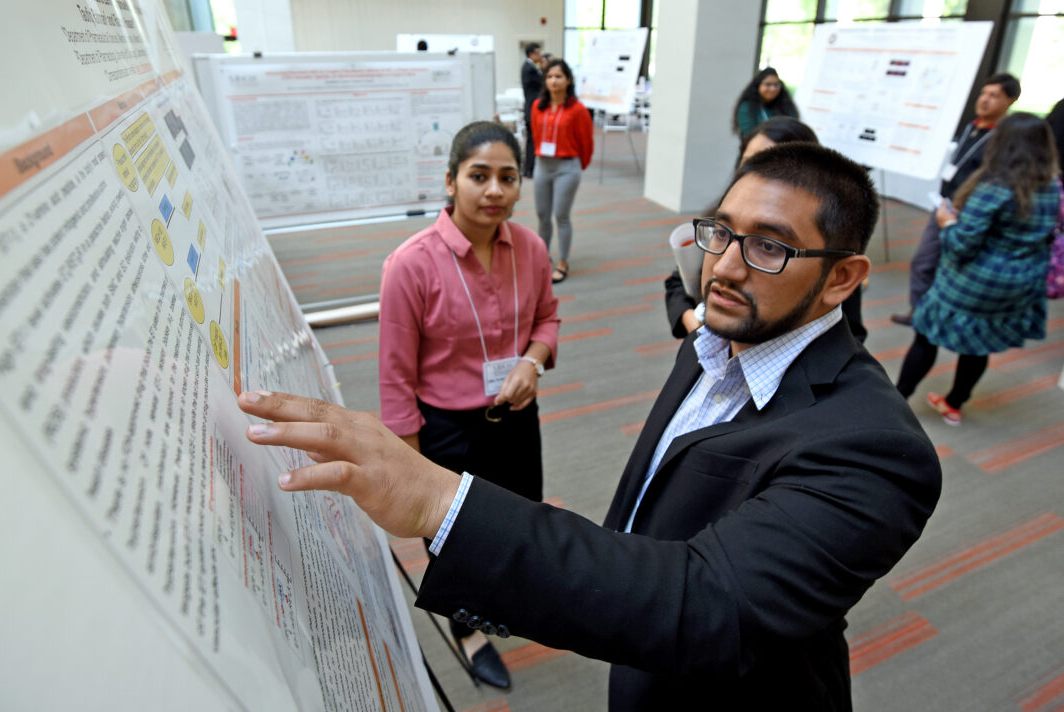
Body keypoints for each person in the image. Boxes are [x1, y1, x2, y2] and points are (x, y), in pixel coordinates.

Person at [239, 143, 941, 711]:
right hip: (638, 656)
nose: (722, 267)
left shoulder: (877, 451)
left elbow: (707, 605)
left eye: (768, 248)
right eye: (722, 232)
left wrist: (434, 500)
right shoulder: (719, 341)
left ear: (843, 278)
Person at [377, 120, 560, 688]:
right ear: (451, 180)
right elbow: (394, 377)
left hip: (516, 416)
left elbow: (547, 319)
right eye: (479, 176)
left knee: (521, 514)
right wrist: (409, 464)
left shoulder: (530, 248)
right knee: (452, 536)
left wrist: (532, 361)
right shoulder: (410, 264)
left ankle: (511, 593)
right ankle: (468, 626)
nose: (495, 191)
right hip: (447, 431)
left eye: (508, 177)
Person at [895, 112, 1059, 425]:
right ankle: (954, 404)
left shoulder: (994, 188)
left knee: (926, 337)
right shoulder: (1052, 187)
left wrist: (947, 222)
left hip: (972, 284)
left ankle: (895, 400)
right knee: (979, 346)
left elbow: (960, 245)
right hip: (1017, 285)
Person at [665, 117, 819, 338]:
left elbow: (847, 332)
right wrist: (690, 321)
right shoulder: (717, 215)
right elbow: (678, 280)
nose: (723, 269)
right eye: (750, 163)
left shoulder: (821, 244)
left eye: (768, 246)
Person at [892, 73, 1021, 325]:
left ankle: (939, 320)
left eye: (994, 96)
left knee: (952, 268)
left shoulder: (1004, 139)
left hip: (970, 214)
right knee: (923, 262)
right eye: (984, 93)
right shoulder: (972, 127)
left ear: (1011, 100)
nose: (985, 100)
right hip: (944, 205)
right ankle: (920, 314)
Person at [530, 58, 594, 284]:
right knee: (542, 214)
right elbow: (535, 135)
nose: (553, 81)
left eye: (558, 76)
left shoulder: (578, 110)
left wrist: (577, 166)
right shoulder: (538, 106)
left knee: (561, 215)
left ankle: (563, 261)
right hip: (542, 165)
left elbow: (586, 142)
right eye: (549, 76)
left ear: (568, 80)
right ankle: (542, 256)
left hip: (567, 167)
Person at [732, 67, 799, 139]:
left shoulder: (786, 106)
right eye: (768, 84)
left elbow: (794, 130)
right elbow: (750, 134)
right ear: (757, 86)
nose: (773, 88)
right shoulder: (747, 107)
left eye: (776, 84)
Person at [520, 43, 544, 179]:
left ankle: (530, 168)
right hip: (532, 109)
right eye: (538, 53)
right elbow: (541, 83)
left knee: (532, 140)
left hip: (531, 108)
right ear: (531, 54)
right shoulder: (529, 69)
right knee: (532, 141)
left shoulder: (531, 67)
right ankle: (529, 169)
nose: (540, 56)